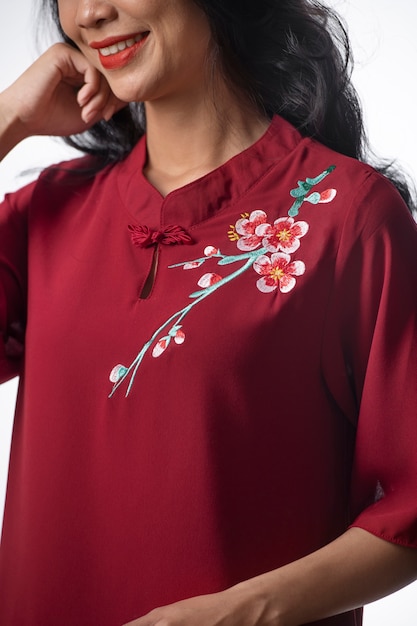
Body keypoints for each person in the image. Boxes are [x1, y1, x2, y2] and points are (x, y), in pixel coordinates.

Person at [0, 0, 417, 624]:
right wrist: (7, 117)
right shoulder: (48, 214)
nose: (89, 13)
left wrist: (245, 611)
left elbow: (410, 510)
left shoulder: (347, 218)